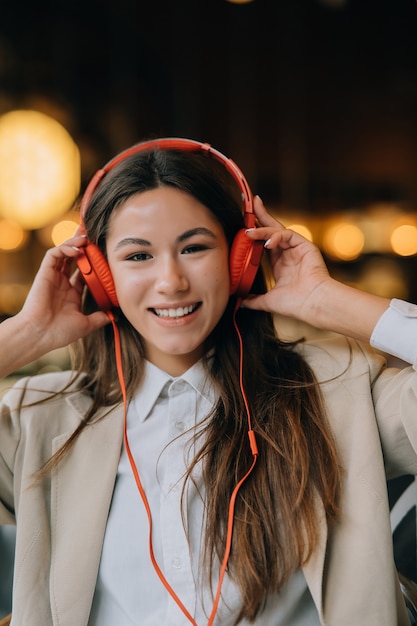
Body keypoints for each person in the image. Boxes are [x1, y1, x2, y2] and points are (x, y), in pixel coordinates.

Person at [0, 138, 417, 626]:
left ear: (240, 260)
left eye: (194, 247)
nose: (171, 281)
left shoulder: (336, 391)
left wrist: (330, 301)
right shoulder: (38, 418)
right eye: (138, 256)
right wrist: (22, 335)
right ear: (99, 276)